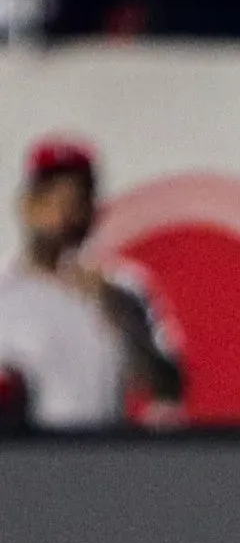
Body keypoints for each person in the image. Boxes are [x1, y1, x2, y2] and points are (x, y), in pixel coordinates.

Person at [0, 139, 184, 429]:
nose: (62, 215)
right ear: (27, 204)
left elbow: (169, 386)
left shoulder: (123, 289)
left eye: (76, 201)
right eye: (50, 199)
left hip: (98, 459)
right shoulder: (5, 288)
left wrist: (121, 315)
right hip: (20, 462)